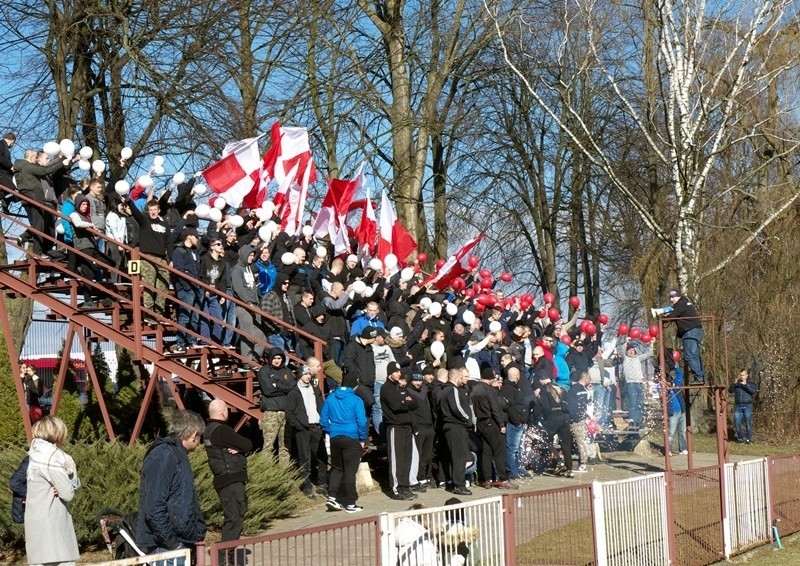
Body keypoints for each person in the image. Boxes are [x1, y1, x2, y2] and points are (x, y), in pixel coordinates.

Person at [137, 410, 207, 560]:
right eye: (200, 436)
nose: (200, 441)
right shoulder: (164, 455)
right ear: (194, 434)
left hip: (177, 543)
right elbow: (154, 506)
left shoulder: (177, 454)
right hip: (166, 547)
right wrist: (172, 544)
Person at [25, 416, 81, 566]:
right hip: (53, 525)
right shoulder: (55, 457)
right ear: (58, 433)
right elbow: (68, 493)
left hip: (34, 523)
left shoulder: (34, 454)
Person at [204, 400, 252, 565]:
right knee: (234, 517)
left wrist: (237, 448)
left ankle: (227, 554)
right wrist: (240, 448)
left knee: (233, 517)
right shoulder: (222, 430)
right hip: (231, 479)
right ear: (223, 412)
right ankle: (224, 556)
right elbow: (247, 444)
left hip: (223, 479)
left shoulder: (208, 430)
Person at [321, 372, 368, 514]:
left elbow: (323, 420)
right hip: (352, 438)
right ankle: (351, 503)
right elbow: (362, 421)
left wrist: (331, 431)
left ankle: (332, 497)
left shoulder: (330, 398)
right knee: (350, 472)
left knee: (337, 468)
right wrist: (362, 439)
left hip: (335, 437)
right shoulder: (356, 400)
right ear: (355, 386)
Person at [13, 149, 69, 256]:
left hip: (29, 198)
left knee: (38, 224)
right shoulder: (28, 166)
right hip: (34, 198)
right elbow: (44, 170)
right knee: (39, 225)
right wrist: (61, 162)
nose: (36, 159)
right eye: (35, 157)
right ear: (31, 158)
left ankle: (25, 239)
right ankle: (37, 253)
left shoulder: (21, 168)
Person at [285, 364, 328, 499]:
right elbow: (289, 413)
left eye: (309, 374)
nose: (308, 376)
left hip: (316, 427)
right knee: (305, 459)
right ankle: (307, 486)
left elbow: (321, 406)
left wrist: (323, 423)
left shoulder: (315, 390)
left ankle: (322, 485)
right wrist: (299, 426)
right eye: (305, 374)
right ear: (299, 375)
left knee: (322, 457)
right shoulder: (294, 392)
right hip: (303, 429)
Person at [128, 198, 174, 320]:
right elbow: (135, 212)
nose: (153, 212)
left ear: (159, 210)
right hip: (146, 257)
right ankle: (149, 314)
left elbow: (169, 243)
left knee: (163, 286)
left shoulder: (165, 225)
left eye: (155, 209)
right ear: (148, 211)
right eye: (151, 210)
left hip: (161, 259)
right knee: (149, 283)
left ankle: (159, 314)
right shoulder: (144, 221)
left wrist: (171, 259)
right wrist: (128, 201)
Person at [471, 368, 516, 489]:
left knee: (487, 451)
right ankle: (503, 480)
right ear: (491, 377)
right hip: (492, 422)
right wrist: (501, 425)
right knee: (499, 452)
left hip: (481, 422)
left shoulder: (475, 389)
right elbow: (495, 409)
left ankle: (487, 480)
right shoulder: (489, 390)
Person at [382, 361, 420, 500]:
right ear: (390, 373)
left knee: (406, 458)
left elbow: (415, 403)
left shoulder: (400, 388)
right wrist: (405, 401)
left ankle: (405, 486)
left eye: (399, 372)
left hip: (407, 427)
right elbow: (396, 405)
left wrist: (405, 401)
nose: (399, 374)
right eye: (397, 372)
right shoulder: (386, 388)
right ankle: (396, 489)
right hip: (395, 427)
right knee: (397, 459)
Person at [171, 227, 202, 353]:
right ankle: (180, 343)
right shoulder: (179, 251)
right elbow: (180, 270)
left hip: (197, 288)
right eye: (196, 236)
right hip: (186, 288)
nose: (198, 239)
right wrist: (186, 286)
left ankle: (192, 340)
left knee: (195, 316)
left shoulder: (195, 252)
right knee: (185, 315)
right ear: (189, 236)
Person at [667, 290, 706, 384]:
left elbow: (673, 315)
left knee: (689, 356)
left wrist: (663, 317)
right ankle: (700, 377)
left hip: (690, 331)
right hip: (693, 331)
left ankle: (699, 377)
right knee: (694, 355)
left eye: (673, 297)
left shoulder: (681, 304)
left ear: (679, 296)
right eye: (670, 297)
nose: (672, 299)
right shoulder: (685, 303)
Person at [565, 370, 592, 472]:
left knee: (580, 441)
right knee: (581, 441)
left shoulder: (572, 391)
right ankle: (582, 462)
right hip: (581, 418)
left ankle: (583, 464)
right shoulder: (584, 390)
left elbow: (571, 406)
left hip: (575, 420)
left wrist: (571, 418)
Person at [729, 369, 757, 443]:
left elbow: (753, 391)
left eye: (743, 375)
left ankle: (748, 439)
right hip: (738, 405)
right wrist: (734, 384)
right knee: (737, 422)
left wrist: (746, 385)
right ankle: (740, 438)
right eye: (741, 375)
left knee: (748, 422)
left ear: (747, 375)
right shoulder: (737, 383)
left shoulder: (751, 383)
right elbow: (730, 390)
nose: (742, 377)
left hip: (747, 405)